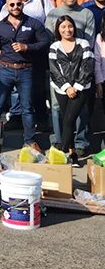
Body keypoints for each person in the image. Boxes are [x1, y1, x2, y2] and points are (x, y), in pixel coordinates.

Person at [0, 0, 49, 155]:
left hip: (26, 70)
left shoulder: (33, 23)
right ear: (6, 6)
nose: (16, 7)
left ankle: (29, 141)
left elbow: (44, 43)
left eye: (18, 4)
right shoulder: (0, 26)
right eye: (12, 4)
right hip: (5, 70)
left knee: (27, 108)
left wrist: (27, 47)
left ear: (22, 4)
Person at [45, 0, 95, 154]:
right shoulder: (53, 13)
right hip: (60, 70)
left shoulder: (86, 13)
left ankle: (80, 143)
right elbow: (49, 38)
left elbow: (89, 41)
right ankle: (60, 142)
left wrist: (79, 80)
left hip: (81, 69)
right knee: (57, 108)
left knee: (80, 110)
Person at [48, 16, 94, 167]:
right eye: (63, 27)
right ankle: (72, 154)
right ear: (58, 29)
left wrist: (77, 86)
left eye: (70, 26)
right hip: (62, 90)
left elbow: (88, 66)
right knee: (67, 120)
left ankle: (61, 153)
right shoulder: (54, 46)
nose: (67, 30)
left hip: (81, 89)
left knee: (69, 120)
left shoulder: (83, 43)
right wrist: (67, 87)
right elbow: (54, 70)